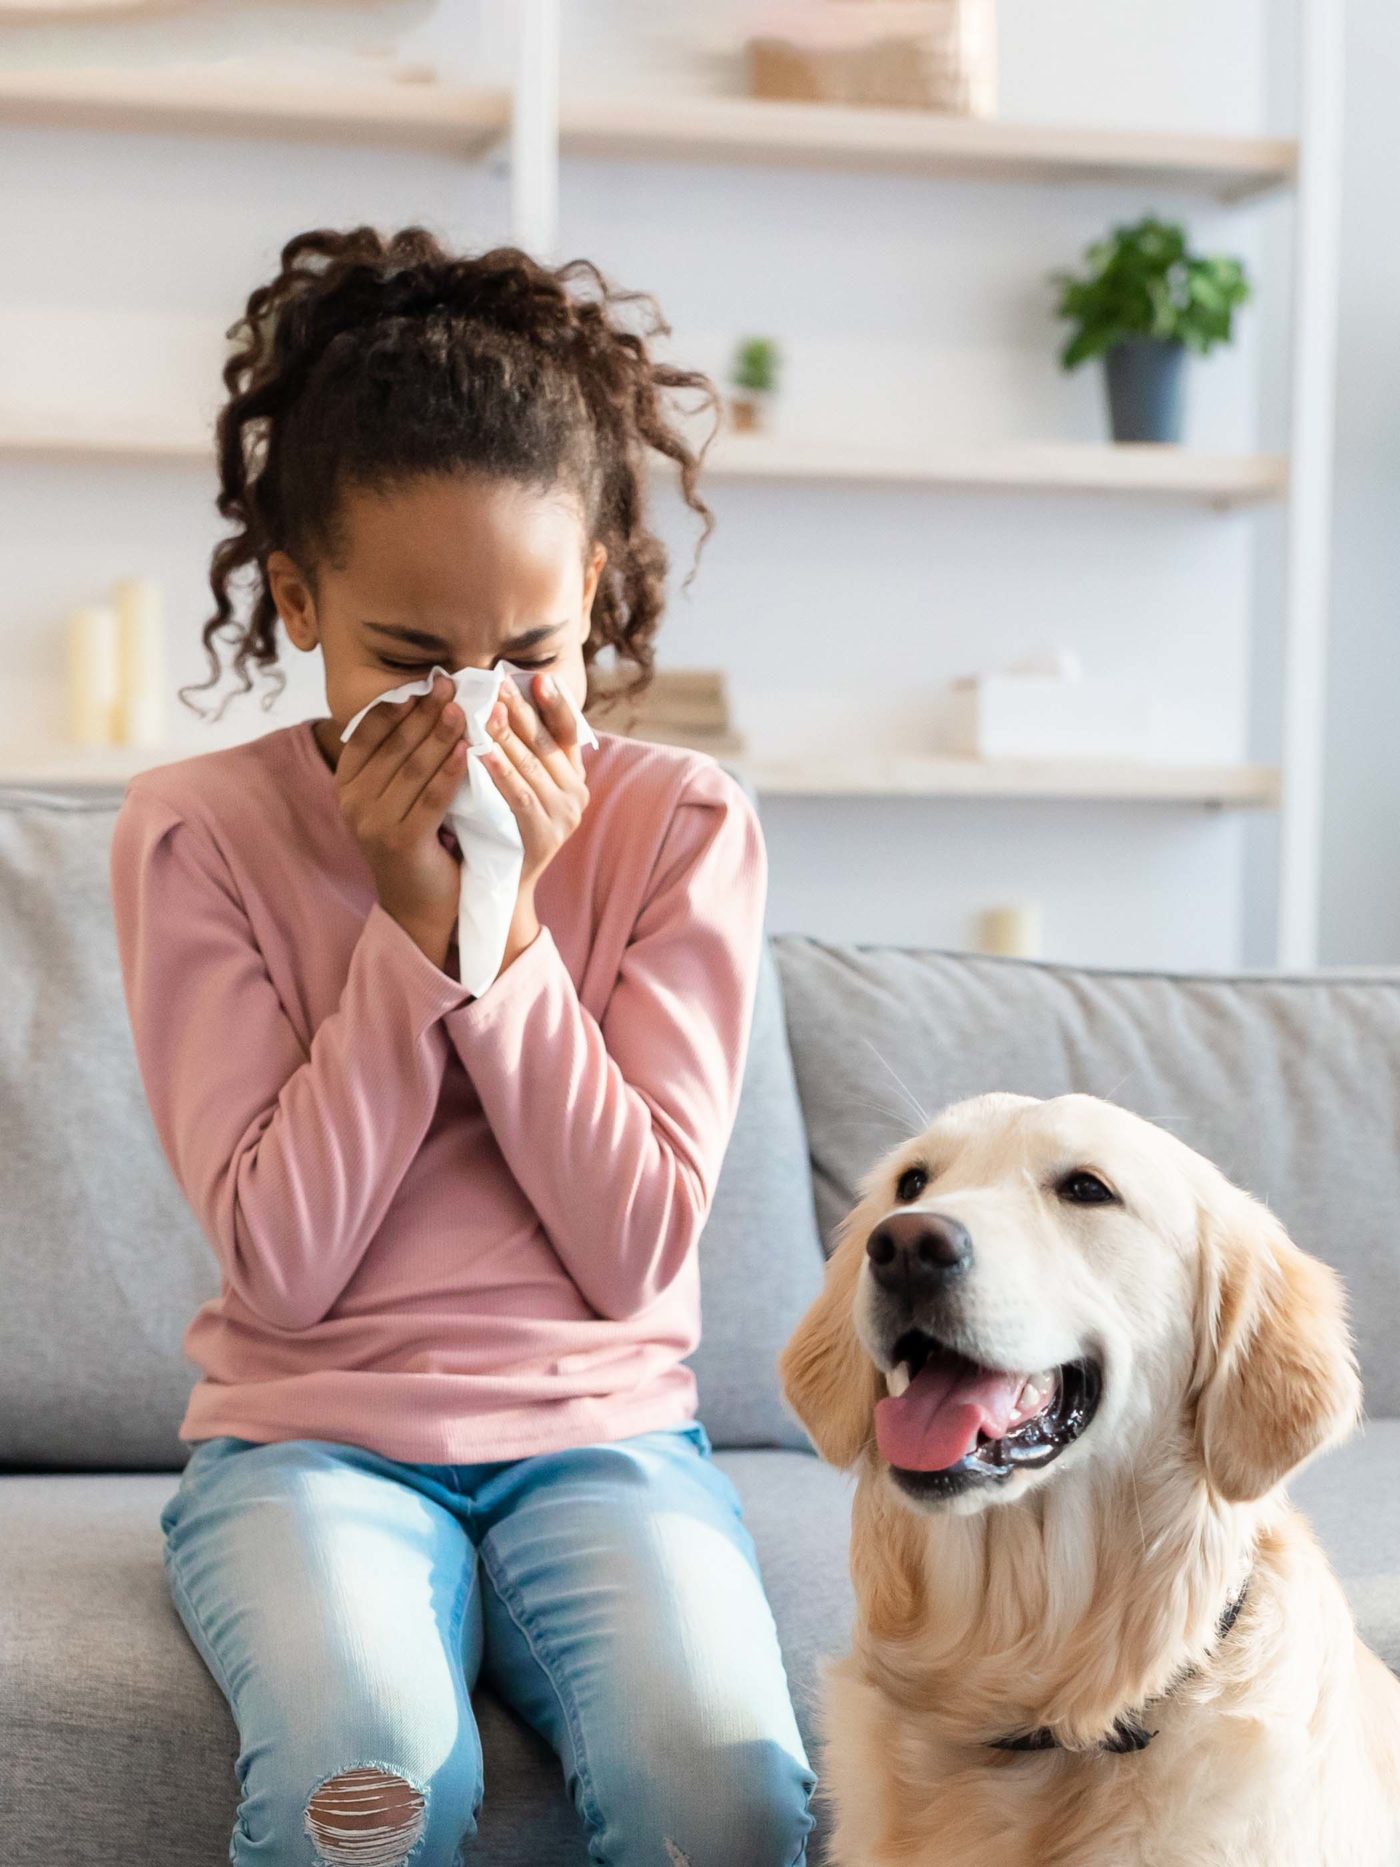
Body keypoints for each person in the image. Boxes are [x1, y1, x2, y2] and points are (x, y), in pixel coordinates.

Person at [108, 223, 815, 1867]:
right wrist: (410, 931)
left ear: (595, 594)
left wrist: (500, 935)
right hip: (306, 1444)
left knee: (721, 1797)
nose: (476, 717)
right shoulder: (197, 835)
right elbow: (284, 1267)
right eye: (413, 664)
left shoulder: (681, 826)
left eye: (533, 660)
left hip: (605, 1442)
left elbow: (634, 1249)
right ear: (300, 601)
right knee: (361, 1798)